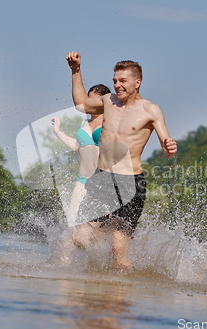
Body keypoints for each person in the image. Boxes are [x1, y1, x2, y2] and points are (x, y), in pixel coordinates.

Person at [68, 52, 177, 272]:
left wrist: (169, 148)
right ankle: (109, 235)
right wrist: (75, 71)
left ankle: (117, 300)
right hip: (102, 179)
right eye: (115, 81)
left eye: (122, 81)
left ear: (138, 82)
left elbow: (168, 151)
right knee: (79, 238)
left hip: (130, 183)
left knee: (118, 250)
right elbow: (81, 104)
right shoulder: (108, 101)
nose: (117, 85)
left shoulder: (150, 110)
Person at [52, 52, 111, 227]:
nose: (89, 106)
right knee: (72, 227)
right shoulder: (85, 123)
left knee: (98, 232)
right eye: (88, 101)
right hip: (81, 182)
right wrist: (58, 132)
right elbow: (79, 147)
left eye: (93, 102)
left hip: (102, 185)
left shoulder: (110, 122)